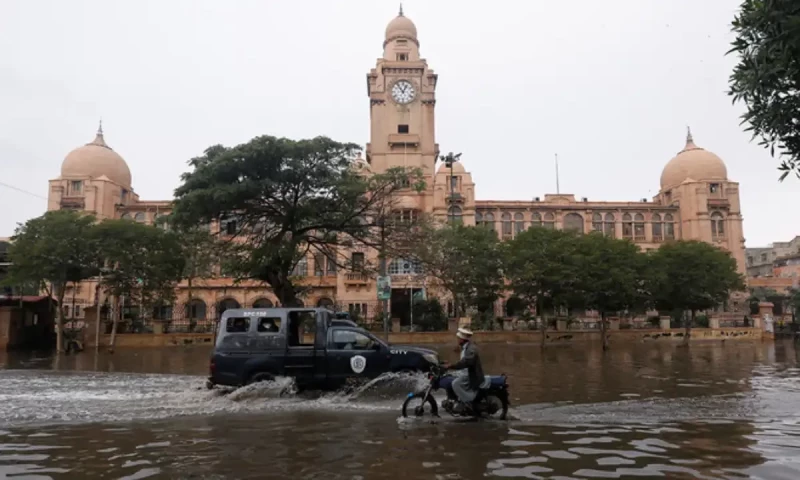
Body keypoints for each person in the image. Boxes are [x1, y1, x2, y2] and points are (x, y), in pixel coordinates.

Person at [442, 327, 484, 410]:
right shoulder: (465, 347)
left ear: (462, 339)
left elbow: (465, 362)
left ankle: (468, 402)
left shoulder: (471, 349)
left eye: (458, 338)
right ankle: (455, 399)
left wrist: (451, 366)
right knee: (448, 378)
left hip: (471, 375)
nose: (457, 340)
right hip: (465, 373)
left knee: (455, 383)